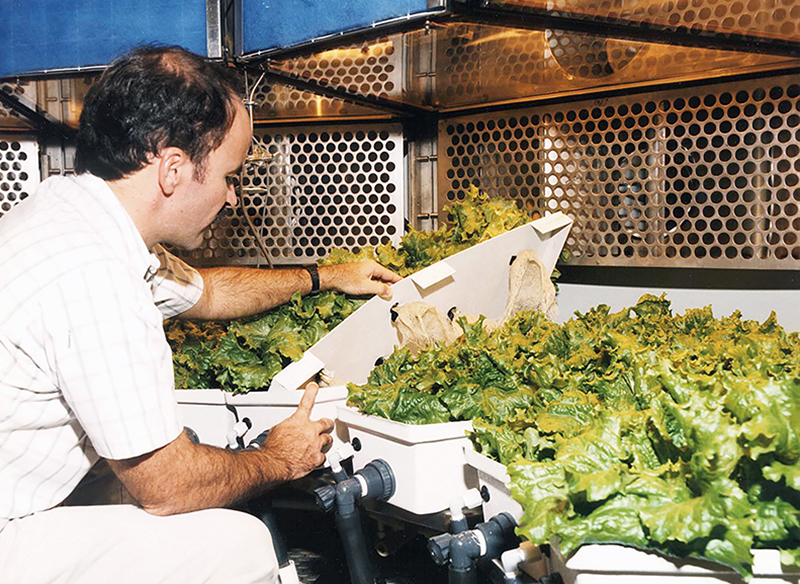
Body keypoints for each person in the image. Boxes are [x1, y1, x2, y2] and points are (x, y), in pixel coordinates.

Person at [0, 45, 401, 584]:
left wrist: (325, 276)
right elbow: (167, 488)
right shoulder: (95, 273)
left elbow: (208, 293)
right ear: (172, 168)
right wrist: (281, 459)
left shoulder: (70, 214)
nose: (232, 198)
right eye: (229, 175)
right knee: (236, 544)